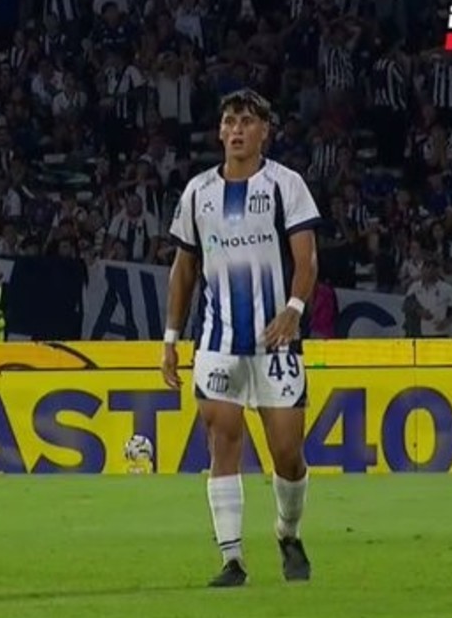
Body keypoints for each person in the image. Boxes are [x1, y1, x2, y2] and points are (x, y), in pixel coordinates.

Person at [160, 89, 320, 588]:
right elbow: (184, 269)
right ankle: (232, 559)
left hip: (276, 344)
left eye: (246, 121)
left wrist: (294, 309)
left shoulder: (285, 186)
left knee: (287, 454)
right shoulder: (198, 192)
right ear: (219, 131)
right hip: (217, 341)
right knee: (223, 442)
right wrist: (170, 337)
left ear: (264, 131)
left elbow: (307, 259)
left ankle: (288, 532)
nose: (236, 130)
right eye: (229, 121)